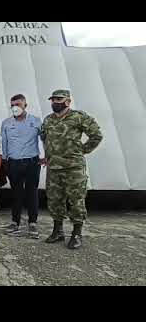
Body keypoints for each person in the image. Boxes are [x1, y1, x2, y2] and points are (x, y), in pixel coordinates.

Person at [41, 89, 103, 249]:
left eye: (59, 99)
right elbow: (44, 138)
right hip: (54, 167)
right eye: (53, 100)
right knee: (55, 200)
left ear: (67, 101)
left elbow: (96, 135)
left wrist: (82, 150)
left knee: (76, 200)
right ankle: (58, 231)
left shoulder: (78, 117)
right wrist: (48, 156)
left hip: (73, 167)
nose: (55, 102)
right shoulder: (48, 120)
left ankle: (77, 234)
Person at [1, 94, 43, 239]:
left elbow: (45, 139)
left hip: (32, 162)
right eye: (12, 105)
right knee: (16, 193)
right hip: (14, 163)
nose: (15, 107)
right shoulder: (6, 123)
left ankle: (33, 223)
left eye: (18, 104)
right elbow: (4, 144)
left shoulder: (36, 121)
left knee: (32, 193)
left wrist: (47, 157)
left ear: (25, 105)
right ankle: (15, 222)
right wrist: (5, 162)